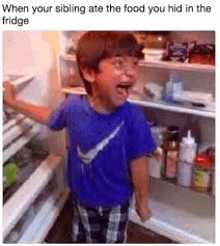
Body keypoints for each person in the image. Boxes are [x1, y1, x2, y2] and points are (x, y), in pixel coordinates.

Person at [3, 31, 155, 243]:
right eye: (119, 63)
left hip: (116, 202)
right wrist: (12, 102)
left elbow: (139, 163)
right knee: (89, 238)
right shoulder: (72, 106)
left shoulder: (134, 118)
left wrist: (142, 201)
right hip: (82, 197)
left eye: (134, 63)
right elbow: (48, 116)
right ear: (89, 72)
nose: (132, 73)